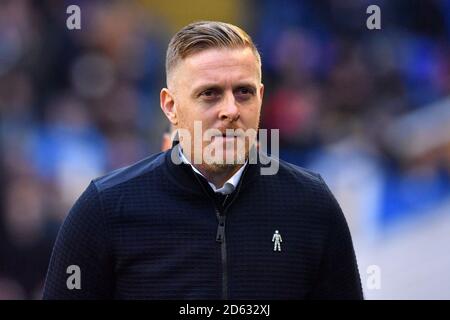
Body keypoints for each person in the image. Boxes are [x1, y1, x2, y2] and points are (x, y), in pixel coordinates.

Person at [43, 21, 363, 299]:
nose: (230, 110)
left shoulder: (312, 206)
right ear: (171, 106)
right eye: (209, 93)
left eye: (244, 92)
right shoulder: (105, 209)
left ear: (261, 98)